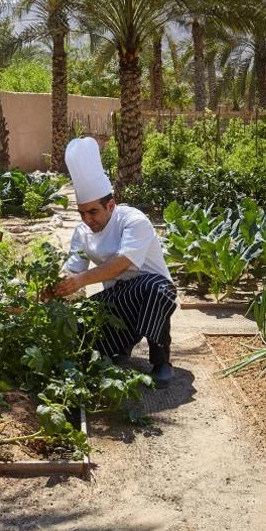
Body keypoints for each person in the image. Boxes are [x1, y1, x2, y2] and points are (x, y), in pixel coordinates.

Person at [48, 137, 178, 388]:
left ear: (110, 205)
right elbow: (73, 270)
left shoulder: (133, 220)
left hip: (154, 289)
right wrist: (56, 288)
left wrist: (80, 280)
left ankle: (162, 361)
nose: (87, 219)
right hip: (118, 297)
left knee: (151, 289)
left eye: (93, 212)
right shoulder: (81, 232)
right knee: (85, 329)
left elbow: (122, 262)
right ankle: (122, 345)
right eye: (82, 213)